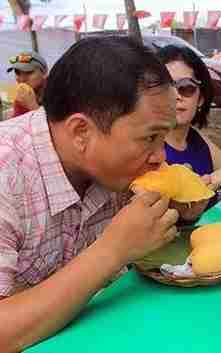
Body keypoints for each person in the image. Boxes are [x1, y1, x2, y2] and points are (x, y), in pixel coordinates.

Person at [0, 36, 181, 350]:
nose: (160, 156)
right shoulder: (7, 174)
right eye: (150, 137)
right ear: (81, 132)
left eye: (163, 137)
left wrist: (183, 206)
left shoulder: (115, 168)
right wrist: (113, 250)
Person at [156, 45, 221, 221]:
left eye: (186, 87)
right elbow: (168, 210)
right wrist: (214, 179)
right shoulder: (149, 149)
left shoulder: (195, 138)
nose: (176, 96)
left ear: (201, 99)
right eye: (166, 88)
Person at [6, 51, 48, 118]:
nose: (22, 79)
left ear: (44, 73)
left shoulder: (57, 92)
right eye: (17, 73)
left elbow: (57, 126)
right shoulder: (22, 96)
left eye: (28, 72)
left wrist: (32, 106)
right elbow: (18, 124)